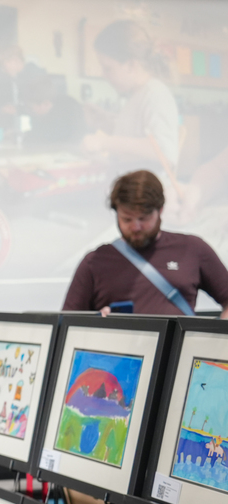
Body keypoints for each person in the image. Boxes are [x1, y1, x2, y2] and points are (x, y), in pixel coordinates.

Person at [62, 170, 228, 317]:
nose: (135, 227)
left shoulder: (192, 248)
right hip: (118, 351)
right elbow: (66, 327)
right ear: (116, 213)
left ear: (160, 210)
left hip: (179, 352)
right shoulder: (94, 262)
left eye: (143, 218)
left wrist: (219, 342)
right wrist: (94, 325)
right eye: (127, 219)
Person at [82, 20, 179, 172]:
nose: (103, 75)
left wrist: (105, 142)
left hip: (146, 190)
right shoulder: (137, 94)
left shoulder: (154, 94)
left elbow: (163, 150)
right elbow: (133, 135)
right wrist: (105, 122)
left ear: (130, 65)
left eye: (108, 68)